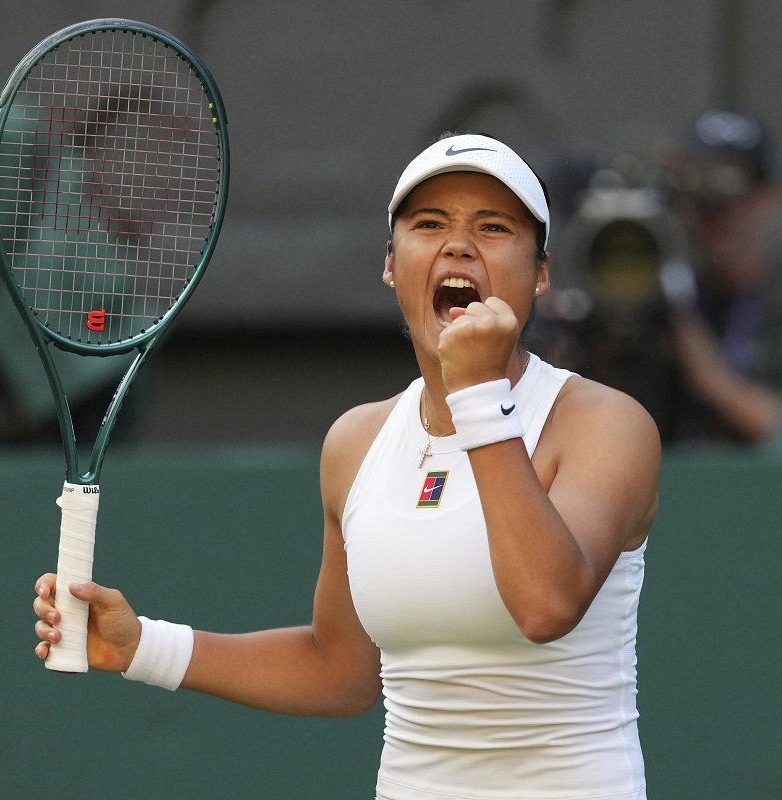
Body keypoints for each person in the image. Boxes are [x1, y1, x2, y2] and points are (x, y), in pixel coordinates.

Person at [33, 132, 661, 800]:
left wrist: (477, 395)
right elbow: (340, 670)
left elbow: (545, 605)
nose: (457, 244)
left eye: (493, 226)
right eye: (428, 225)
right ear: (391, 264)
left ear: (540, 271)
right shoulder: (357, 442)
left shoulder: (604, 423)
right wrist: (142, 648)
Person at [658, 109, 782, 444]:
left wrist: (711, 379)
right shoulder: (665, 298)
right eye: (699, 202)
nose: (715, 219)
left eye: (728, 203)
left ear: (770, 199)